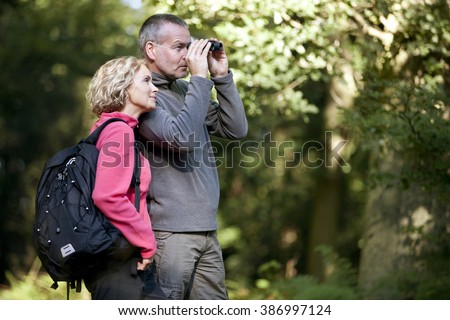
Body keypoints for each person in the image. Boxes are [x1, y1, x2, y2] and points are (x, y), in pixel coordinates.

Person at [137, 13, 248, 300]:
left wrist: (221, 77)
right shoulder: (144, 97)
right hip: (170, 233)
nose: (187, 56)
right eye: (178, 47)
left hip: (207, 230)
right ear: (151, 49)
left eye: (189, 47)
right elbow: (181, 139)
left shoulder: (186, 89)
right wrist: (200, 79)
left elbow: (235, 129)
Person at [83, 56, 160, 299]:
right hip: (120, 260)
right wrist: (147, 243)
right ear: (124, 88)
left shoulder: (106, 128)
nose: (154, 87)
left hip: (114, 257)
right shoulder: (119, 132)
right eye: (146, 80)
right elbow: (108, 196)